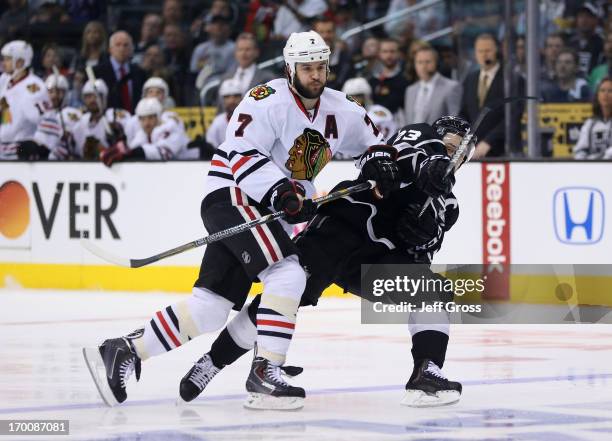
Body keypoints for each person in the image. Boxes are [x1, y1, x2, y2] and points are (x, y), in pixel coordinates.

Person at [82, 30, 399, 411]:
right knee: (288, 274)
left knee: (210, 308)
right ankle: (266, 371)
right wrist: (282, 191)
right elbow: (241, 151)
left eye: (321, 66)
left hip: (270, 209)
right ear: (289, 68)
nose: (316, 75)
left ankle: (124, 350)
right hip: (234, 195)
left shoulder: (340, 107)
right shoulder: (266, 100)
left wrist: (379, 163)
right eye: (307, 68)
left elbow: (373, 142)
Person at [177, 116, 471, 408]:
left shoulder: (448, 206)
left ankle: (426, 374)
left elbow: (422, 255)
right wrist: (430, 164)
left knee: (432, 292)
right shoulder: (419, 135)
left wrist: (419, 241)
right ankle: (212, 362)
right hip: (341, 228)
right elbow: (407, 151)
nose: (450, 159)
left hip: (372, 264)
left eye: (458, 156)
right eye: (448, 149)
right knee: (285, 296)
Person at [459, 33, 524, 158]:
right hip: (473, 152)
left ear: (497, 51)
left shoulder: (512, 79)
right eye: (480, 51)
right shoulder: (470, 79)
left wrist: (489, 142)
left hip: (503, 151)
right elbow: (464, 112)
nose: (484, 54)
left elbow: (513, 116)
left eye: (488, 50)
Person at [100, 97, 189, 166]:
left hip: (191, 171)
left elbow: (163, 154)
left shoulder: (171, 127)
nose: (146, 123)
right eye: (142, 119)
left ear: (158, 117)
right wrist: (125, 150)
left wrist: (131, 152)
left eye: (150, 118)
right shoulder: (143, 133)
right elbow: (134, 148)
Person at [0, 40, 50, 160]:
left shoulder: (34, 87)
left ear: (20, 62)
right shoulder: (4, 80)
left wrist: (37, 143)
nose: (3, 63)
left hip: (19, 152)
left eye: (7, 59)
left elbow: (46, 121)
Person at [18, 73, 82, 160]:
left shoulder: (72, 114)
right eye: (51, 91)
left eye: (59, 91)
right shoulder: (39, 113)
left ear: (66, 93)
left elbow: (75, 145)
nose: (54, 96)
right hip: (39, 157)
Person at [72, 78, 130, 159]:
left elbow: (127, 144)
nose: (92, 100)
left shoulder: (115, 116)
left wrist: (117, 131)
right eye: (88, 96)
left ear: (104, 97)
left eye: (96, 96)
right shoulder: (80, 122)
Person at [404, 46, 462, 125]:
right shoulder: (410, 90)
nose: (423, 66)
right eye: (419, 62)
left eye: (428, 62)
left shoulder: (451, 87)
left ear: (437, 63)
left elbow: (455, 120)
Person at [93, 31, 148, 113]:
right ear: (110, 49)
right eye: (118, 45)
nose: (122, 49)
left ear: (132, 49)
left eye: (126, 45)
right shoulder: (97, 72)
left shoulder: (139, 72)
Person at [573, 77, 612, 159]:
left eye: (610, 91)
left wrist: (605, 157)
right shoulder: (590, 124)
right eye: (602, 90)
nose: (606, 94)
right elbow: (580, 150)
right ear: (597, 95)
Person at [206, 78, 243, 149]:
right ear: (222, 100)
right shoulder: (218, 122)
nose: (231, 101)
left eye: (236, 96)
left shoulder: (252, 119)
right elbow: (211, 147)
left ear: (242, 97)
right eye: (227, 97)